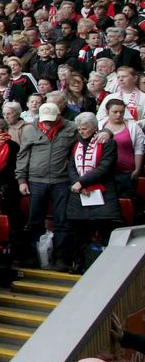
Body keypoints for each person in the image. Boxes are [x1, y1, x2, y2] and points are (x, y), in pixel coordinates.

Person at [17, 103, 78, 271]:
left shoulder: (72, 128)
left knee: (62, 221)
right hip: (36, 180)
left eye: (51, 121)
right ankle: (34, 257)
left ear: (59, 116)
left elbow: (88, 136)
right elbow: (23, 155)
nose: (48, 124)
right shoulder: (30, 130)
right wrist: (21, 179)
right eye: (45, 121)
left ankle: (61, 258)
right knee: (34, 220)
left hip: (61, 180)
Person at [68, 112, 123, 272]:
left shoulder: (107, 143)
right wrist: (77, 183)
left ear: (94, 128)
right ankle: (79, 263)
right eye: (79, 129)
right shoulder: (75, 143)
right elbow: (71, 166)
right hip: (80, 195)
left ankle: (108, 266)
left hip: (103, 192)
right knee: (79, 233)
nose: (82, 132)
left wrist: (82, 182)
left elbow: (105, 167)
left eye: (85, 129)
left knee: (105, 230)